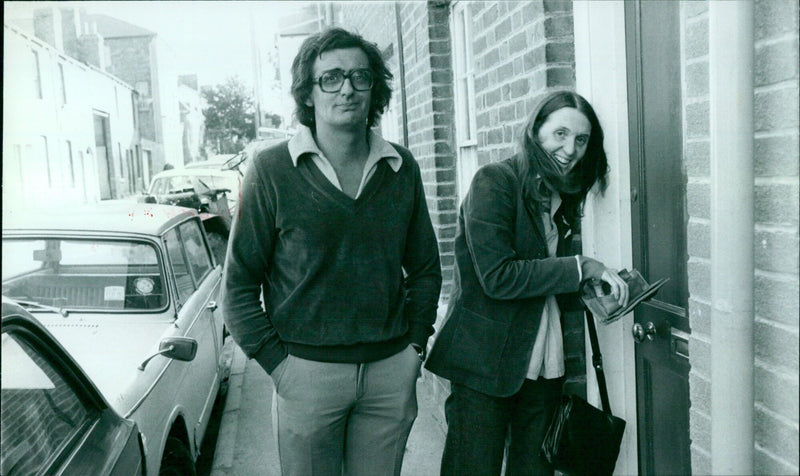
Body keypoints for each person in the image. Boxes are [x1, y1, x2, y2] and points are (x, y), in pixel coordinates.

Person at [221, 27, 442, 476]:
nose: (348, 88)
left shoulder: (401, 166)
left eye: (361, 77)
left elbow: (425, 270)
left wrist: (413, 348)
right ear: (308, 93)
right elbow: (239, 286)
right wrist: (280, 369)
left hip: (389, 374)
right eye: (332, 77)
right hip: (305, 375)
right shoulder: (271, 169)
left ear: (374, 89)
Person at [425, 90, 629, 476]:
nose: (570, 149)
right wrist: (580, 267)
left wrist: (588, 293)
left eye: (581, 140)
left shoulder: (562, 197)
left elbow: (546, 283)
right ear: (535, 132)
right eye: (560, 134)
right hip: (486, 363)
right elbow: (498, 277)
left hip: (543, 364)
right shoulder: (494, 182)